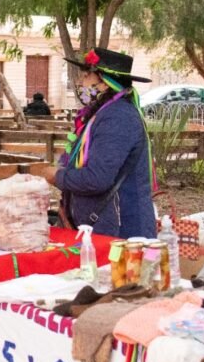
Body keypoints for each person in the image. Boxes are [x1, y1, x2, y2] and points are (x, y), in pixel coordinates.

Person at [35, 48, 157, 239]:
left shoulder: (118, 117)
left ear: (104, 83)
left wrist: (56, 176)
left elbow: (97, 178)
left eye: (86, 76)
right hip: (105, 230)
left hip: (122, 235)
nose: (80, 82)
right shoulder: (102, 114)